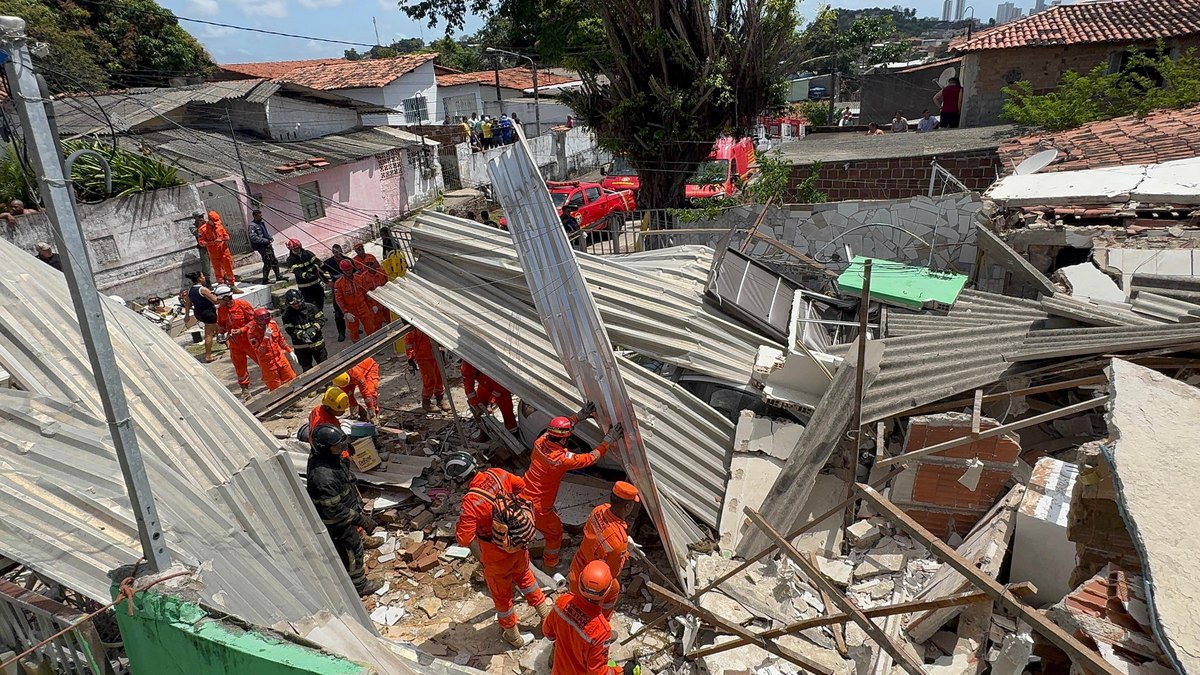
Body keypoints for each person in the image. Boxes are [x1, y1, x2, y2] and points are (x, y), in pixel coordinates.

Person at [448, 451, 551, 648]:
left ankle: (513, 636)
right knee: (526, 579)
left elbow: (464, 538)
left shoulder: (471, 502)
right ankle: (545, 616)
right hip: (518, 546)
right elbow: (520, 486)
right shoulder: (497, 473)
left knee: (503, 599)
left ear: (459, 479)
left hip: (495, 557)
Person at [523, 401, 623, 571]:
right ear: (563, 439)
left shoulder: (541, 441)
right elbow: (591, 457)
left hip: (523, 493)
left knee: (527, 527)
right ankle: (550, 565)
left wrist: (579, 416)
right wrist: (608, 441)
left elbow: (557, 429)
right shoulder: (560, 459)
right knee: (554, 534)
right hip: (539, 506)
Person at [306, 424, 384, 596]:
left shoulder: (330, 459)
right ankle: (359, 586)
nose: (342, 448)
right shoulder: (322, 477)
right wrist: (361, 520)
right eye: (338, 446)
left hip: (347, 511)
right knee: (351, 550)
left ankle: (360, 540)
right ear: (325, 448)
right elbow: (334, 510)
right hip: (337, 524)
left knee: (354, 540)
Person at [568, 482, 640, 620]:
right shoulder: (618, 541)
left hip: (578, 565)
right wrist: (625, 553)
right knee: (612, 590)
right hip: (594, 578)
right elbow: (613, 572)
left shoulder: (599, 510)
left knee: (576, 605)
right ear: (628, 507)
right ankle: (602, 621)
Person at [543, 561, 623, 675]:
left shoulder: (563, 601)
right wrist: (619, 671)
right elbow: (597, 672)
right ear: (608, 589)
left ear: (580, 582)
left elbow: (548, 633)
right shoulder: (601, 631)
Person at [215, 284, 260, 400]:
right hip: (234, 343)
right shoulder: (221, 309)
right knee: (239, 367)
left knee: (262, 361)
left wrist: (242, 330)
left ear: (226, 298)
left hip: (249, 341)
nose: (217, 301)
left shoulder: (243, 305)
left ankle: (276, 380)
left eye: (219, 299)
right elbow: (220, 324)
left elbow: (254, 321)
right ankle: (245, 389)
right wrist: (220, 334)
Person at [247, 307, 296, 392]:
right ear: (256, 321)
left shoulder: (272, 324)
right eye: (262, 324)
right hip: (268, 363)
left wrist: (289, 350)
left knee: (291, 378)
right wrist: (265, 338)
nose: (264, 326)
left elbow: (281, 339)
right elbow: (259, 351)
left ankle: (295, 400)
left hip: (280, 358)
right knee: (275, 387)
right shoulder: (252, 332)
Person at [462, 361, 517, 433]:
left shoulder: (492, 367)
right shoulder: (467, 370)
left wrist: (490, 404)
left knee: (507, 414)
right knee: (480, 408)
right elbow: (469, 389)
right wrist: (475, 405)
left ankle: (513, 432)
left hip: (501, 391)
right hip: (483, 387)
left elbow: (498, 390)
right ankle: (484, 431)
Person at [282, 288, 327, 371]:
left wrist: (314, 329)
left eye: (298, 303)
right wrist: (300, 334)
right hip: (301, 347)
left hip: (317, 343)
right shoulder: (287, 315)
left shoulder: (311, 308)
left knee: (324, 366)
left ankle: (328, 384)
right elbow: (289, 329)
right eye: (293, 304)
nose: (296, 306)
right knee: (307, 369)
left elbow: (321, 319)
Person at [406, 329, 448, 412]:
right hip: (423, 357)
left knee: (439, 378)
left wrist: (442, 351)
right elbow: (408, 343)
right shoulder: (414, 328)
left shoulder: (432, 324)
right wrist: (410, 358)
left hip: (436, 355)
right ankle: (426, 401)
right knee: (430, 380)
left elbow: (440, 338)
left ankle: (440, 399)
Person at [334, 259, 375, 342]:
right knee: (353, 331)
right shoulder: (339, 283)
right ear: (342, 270)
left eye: (349, 269)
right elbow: (339, 299)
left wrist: (372, 305)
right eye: (346, 270)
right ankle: (358, 350)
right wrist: (345, 312)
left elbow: (366, 293)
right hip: (351, 311)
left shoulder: (359, 279)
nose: (348, 271)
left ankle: (375, 346)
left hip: (363, 307)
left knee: (370, 328)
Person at [183, 270, 220, 363]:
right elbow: (215, 300)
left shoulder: (190, 290)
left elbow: (187, 304)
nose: (204, 277)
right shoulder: (203, 290)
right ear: (199, 278)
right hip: (208, 313)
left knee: (219, 327)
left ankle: (227, 343)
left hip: (198, 313)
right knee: (208, 334)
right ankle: (208, 356)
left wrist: (187, 316)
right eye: (203, 276)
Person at [195, 211, 237, 289]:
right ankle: (221, 285)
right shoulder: (203, 229)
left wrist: (224, 238)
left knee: (228, 267)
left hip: (224, 251)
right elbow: (201, 242)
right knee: (218, 270)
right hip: (214, 253)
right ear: (209, 220)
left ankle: (232, 284)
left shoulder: (219, 226)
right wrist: (213, 242)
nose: (215, 224)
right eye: (214, 222)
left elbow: (226, 235)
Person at [286, 239, 329, 309]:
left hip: (316, 283)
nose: (297, 250)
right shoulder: (290, 260)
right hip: (304, 287)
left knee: (320, 300)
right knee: (308, 303)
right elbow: (297, 271)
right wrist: (305, 275)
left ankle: (320, 315)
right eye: (294, 249)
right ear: (291, 249)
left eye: (297, 248)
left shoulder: (308, 253)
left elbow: (317, 261)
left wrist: (315, 267)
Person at [247, 209, 287, 285]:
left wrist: (269, 237)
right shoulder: (252, 226)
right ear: (255, 216)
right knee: (267, 262)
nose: (261, 217)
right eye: (259, 216)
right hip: (262, 247)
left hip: (267, 245)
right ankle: (265, 279)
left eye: (261, 215)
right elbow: (253, 237)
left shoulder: (261, 223)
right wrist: (265, 240)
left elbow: (264, 233)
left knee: (274, 261)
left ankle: (278, 276)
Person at [322, 244, 351, 341]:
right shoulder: (329, 262)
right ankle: (341, 333)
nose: (338, 254)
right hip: (337, 288)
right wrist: (327, 282)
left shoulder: (347, 260)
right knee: (338, 312)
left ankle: (353, 328)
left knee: (351, 308)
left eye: (339, 252)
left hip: (348, 287)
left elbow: (355, 272)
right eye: (335, 252)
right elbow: (318, 271)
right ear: (333, 252)